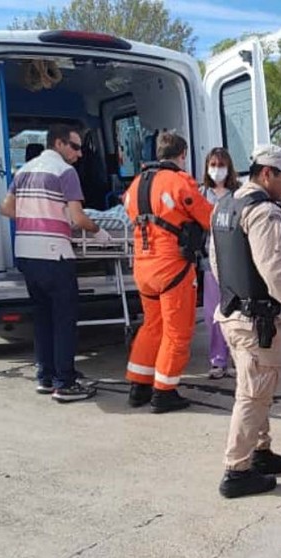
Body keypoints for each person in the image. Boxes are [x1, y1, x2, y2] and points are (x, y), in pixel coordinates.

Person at [209, 144, 281, 499]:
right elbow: (274, 271)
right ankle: (237, 470)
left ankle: (260, 452)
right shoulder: (263, 211)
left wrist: (233, 296)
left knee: (258, 388)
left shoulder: (224, 206)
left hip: (231, 314)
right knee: (254, 394)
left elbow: (215, 261)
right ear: (267, 173)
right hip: (254, 319)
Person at [0, 124, 106, 402]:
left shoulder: (24, 170)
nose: (80, 154)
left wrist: (34, 215)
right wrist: (98, 231)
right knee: (63, 320)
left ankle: (45, 376)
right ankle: (65, 383)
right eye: (75, 146)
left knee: (42, 318)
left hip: (26, 253)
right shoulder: (65, 172)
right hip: (54, 254)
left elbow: (6, 208)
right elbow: (78, 218)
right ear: (58, 144)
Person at [123, 131, 213, 413]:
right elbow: (207, 216)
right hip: (171, 267)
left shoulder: (136, 184)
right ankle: (164, 392)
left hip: (143, 266)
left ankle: (139, 385)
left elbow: (130, 213)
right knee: (177, 331)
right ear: (182, 154)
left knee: (152, 326)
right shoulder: (180, 182)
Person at [199, 147, 240, 379]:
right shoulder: (201, 193)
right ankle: (218, 360)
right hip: (209, 262)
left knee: (235, 312)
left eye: (221, 165)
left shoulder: (238, 193)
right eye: (213, 165)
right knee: (213, 314)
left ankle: (237, 356)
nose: (217, 169)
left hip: (233, 262)